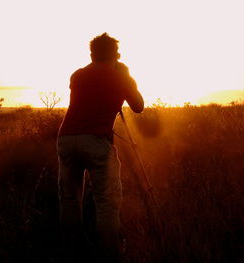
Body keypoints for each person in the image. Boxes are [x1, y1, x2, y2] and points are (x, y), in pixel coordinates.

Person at [57, 32, 144, 262]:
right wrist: (128, 77)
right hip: (96, 140)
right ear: (116, 54)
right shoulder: (121, 76)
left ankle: (71, 251)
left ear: (92, 54)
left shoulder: (77, 75)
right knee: (106, 202)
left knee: (69, 199)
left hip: (66, 139)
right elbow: (138, 106)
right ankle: (110, 255)